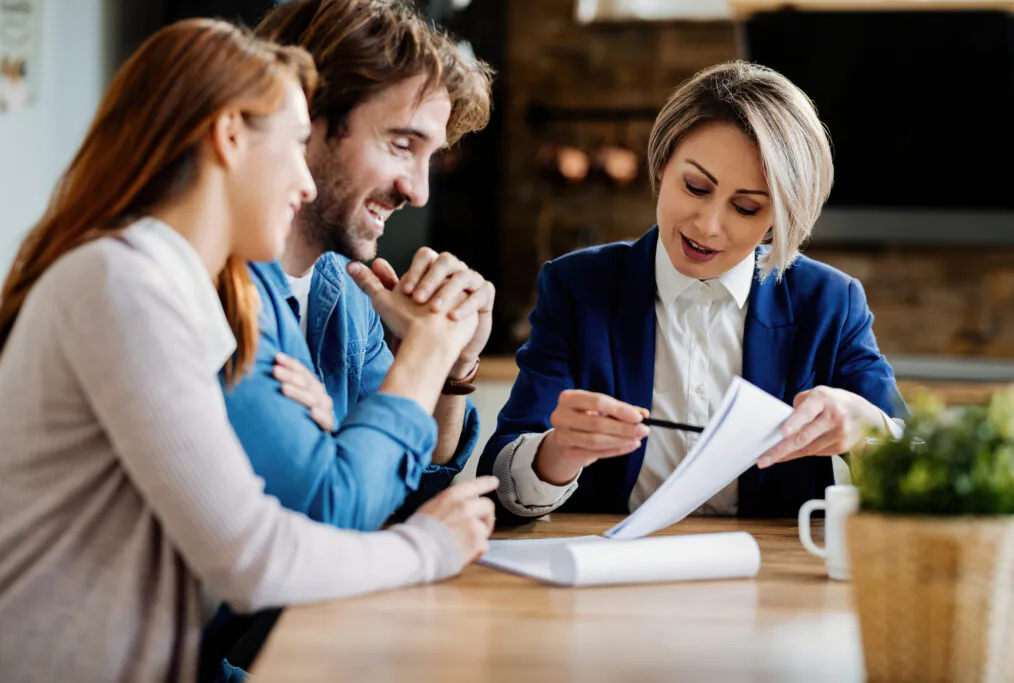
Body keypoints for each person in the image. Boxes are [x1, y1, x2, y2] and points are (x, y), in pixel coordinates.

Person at [0, 19, 496, 683]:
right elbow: (259, 554)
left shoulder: (178, 286)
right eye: (294, 142)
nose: (302, 178)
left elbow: (352, 501)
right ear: (231, 136)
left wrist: (364, 425)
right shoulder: (126, 285)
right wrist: (426, 545)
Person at [478, 61, 906, 523]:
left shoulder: (829, 302)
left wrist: (868, 429)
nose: (708, 225)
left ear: (780, 217)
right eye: (696, 187)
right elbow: (498, 481)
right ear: (662, 164)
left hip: (772, 580)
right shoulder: (577, 286)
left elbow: (923, 456)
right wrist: (556, 454)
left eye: (745, 208)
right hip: (608, 575)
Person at [221, 0, 495, 534]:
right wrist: (426, 350)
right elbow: (329, 511)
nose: (418, 192)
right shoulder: (217, 287)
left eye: (430, 158)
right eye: (401, 145)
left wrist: (451, 368)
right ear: (305, 115)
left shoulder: (348, 290)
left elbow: (406, 495)